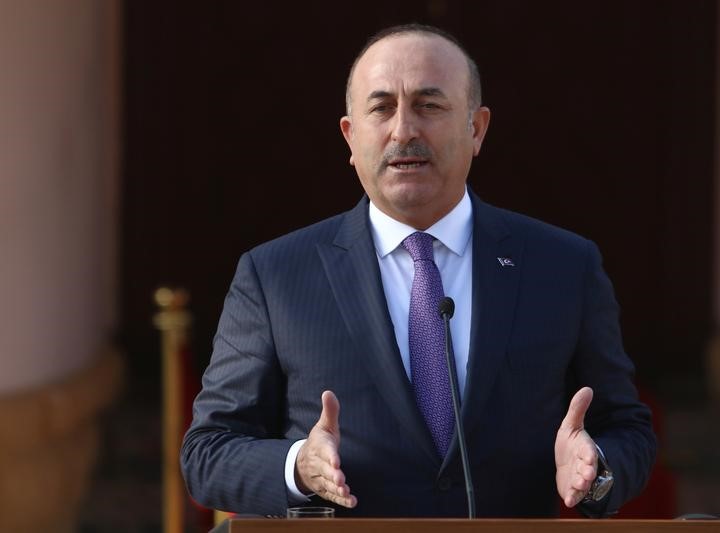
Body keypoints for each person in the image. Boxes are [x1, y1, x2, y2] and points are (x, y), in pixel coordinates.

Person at [181, 23, 656, 519]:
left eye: (429, 106)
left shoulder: (563, 265)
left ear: (477, 129)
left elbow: (627, 429)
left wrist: (595, 467)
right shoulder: (274, 274)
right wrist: (298, 466)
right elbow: (208, 453)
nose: (404, 129)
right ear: (350, 134)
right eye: (381, 107)